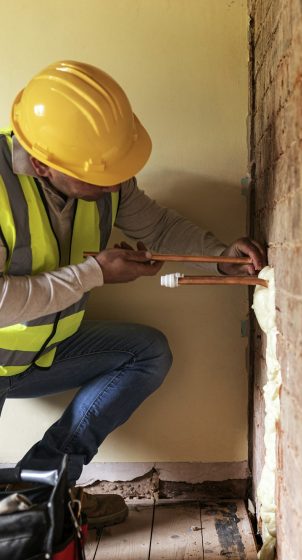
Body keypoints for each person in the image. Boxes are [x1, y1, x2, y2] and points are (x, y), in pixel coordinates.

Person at [0, 61, 266, 528]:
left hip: (41, 352)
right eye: (100, 176)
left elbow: (157, 224)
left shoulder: (102, 174)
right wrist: (93, 273)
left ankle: (44, 486)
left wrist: (219, 255)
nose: (113, 184)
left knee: (146, 353)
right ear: (42, 164)